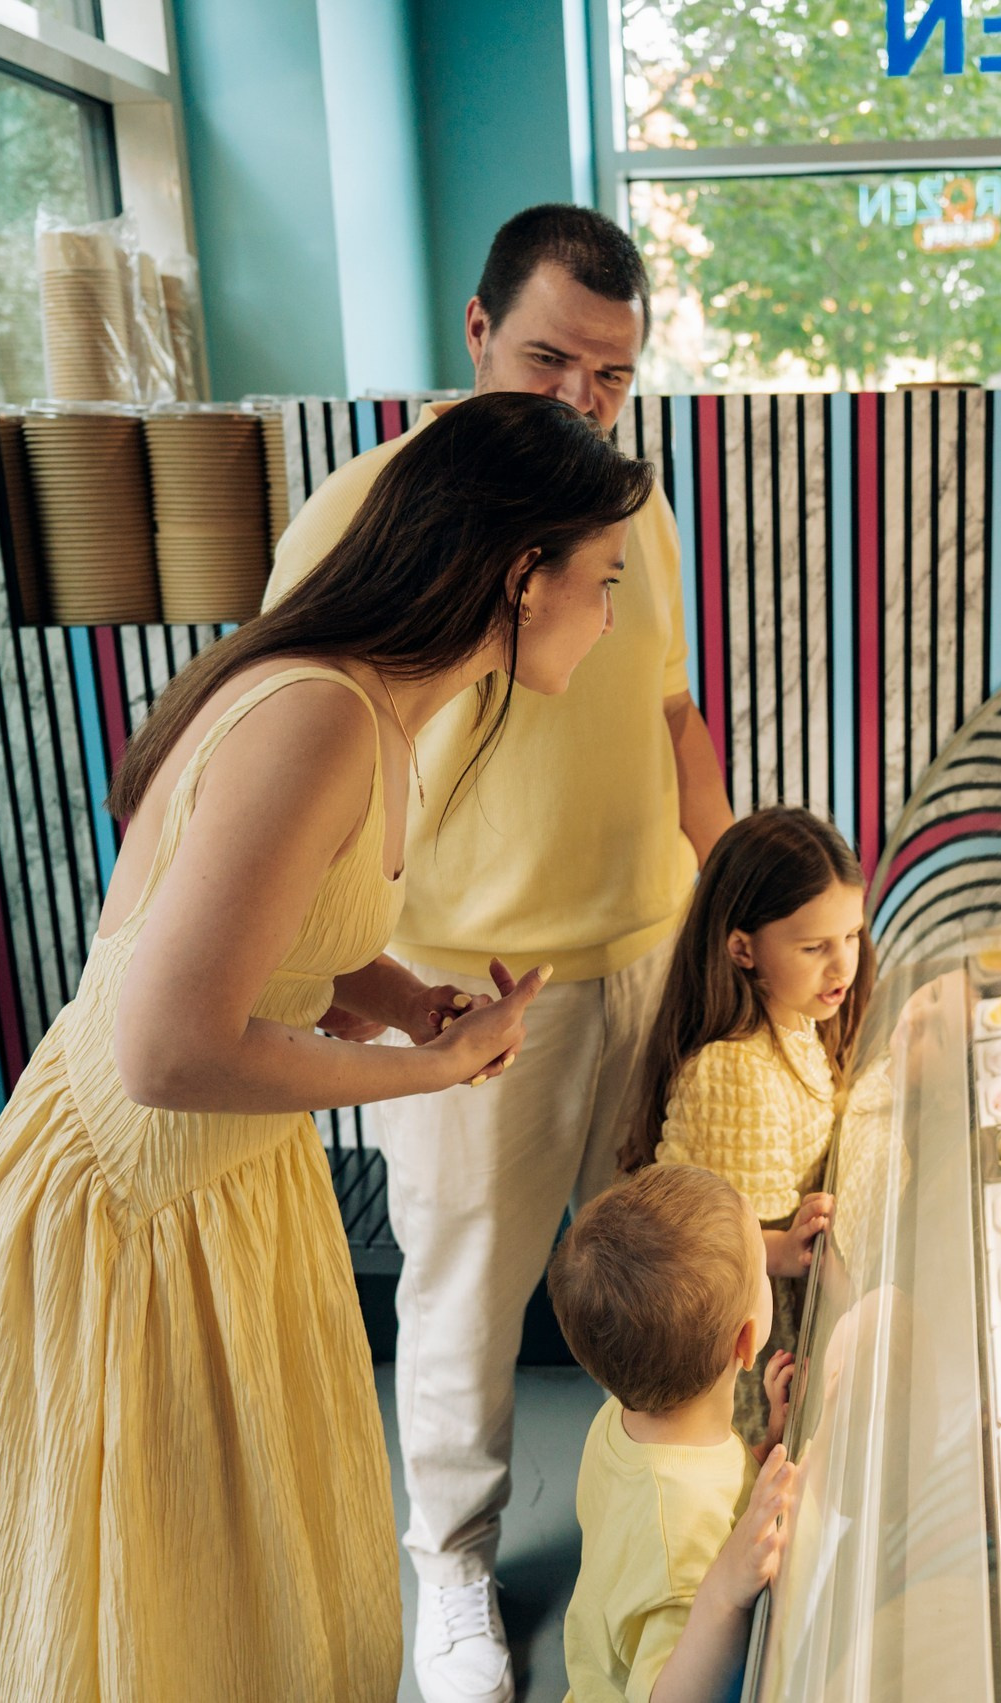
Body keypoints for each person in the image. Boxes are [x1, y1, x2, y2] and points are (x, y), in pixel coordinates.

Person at [0, 393, 654, 1702]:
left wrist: (398, 990)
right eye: (599, 582)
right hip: (129, 1200)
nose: (609, 619)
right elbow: (163, 1048)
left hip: (221, 1186)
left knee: (247, 1594)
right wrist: (430, 1066)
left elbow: (262, 921)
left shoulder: (375, 703)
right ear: (518, 573)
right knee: (161, 1618)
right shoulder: (317, 709)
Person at [265, 204, 731, 1703]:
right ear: (474, 335)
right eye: (550, 359)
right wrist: (390, 998)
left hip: (645, 951)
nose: (582, 402)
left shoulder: (633, 509)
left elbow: (669, 711)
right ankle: (454, 1562)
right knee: (465, 1288)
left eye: (613, 374)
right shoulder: (361, 512)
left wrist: (721, 894)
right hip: (463, 985)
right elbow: (308, 771)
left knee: (659, 1275)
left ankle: (654, 1521)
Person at [621, 808, 873, 1450]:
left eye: (852, 935)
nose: (842, 966)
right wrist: (781, 1250)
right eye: (814, 947)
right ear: (742, 948)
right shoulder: (736, 1072)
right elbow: (692, 1242)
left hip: (772, 1318)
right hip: (735, 1348)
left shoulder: (797, 1018)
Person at [546, 1164, 802, 1703]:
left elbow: (703, 1496)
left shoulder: (620, 1423)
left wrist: (767, 1444)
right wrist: (724, 1593)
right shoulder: (679, 1546)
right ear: (748, 1340)